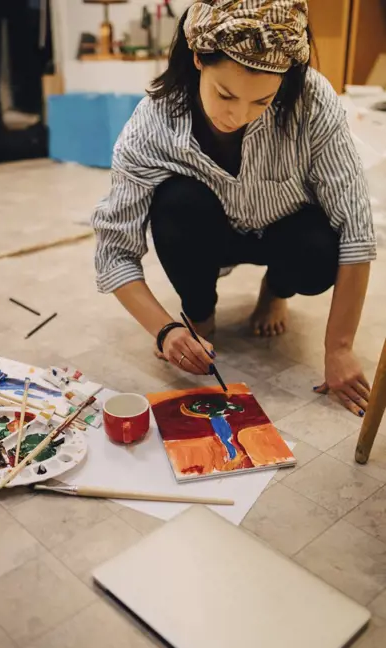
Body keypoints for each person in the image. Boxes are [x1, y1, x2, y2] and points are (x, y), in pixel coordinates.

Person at [92, 0, 376, 417]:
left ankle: (275, 290)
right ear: (197, 58)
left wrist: (340, 347)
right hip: (207, 231)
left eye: (261, 102)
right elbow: (114, 252)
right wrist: (165, 330)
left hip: (285, 231)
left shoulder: (312, 100)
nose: (238, 115)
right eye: (225, 94)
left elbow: (356, 227)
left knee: (321, 249)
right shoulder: (154, 122)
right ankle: (199, 313)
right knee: (176, 203)